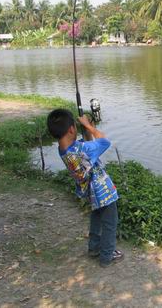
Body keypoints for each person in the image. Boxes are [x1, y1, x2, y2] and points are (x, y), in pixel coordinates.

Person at [46, 109, 123, 267]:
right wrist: (90, 126)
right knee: (110, 222)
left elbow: (88, 145)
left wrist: (87, 131)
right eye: (76, 126)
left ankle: (94, 249)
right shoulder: (81, 151)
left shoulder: (65, 150)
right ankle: (107, 256)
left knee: (96, 218)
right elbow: (104, 141)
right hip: (103, 191)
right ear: (71, 129)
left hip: (90, 191)